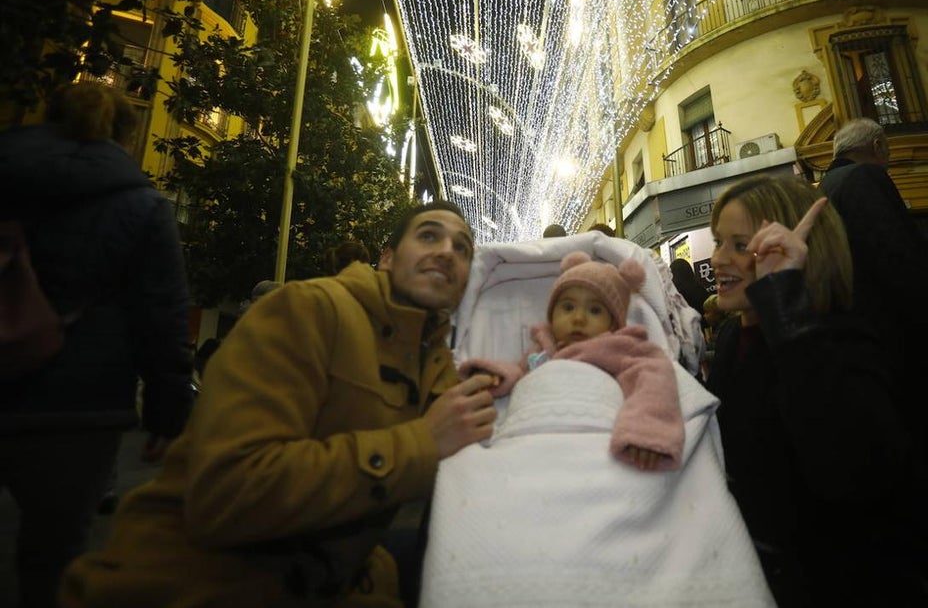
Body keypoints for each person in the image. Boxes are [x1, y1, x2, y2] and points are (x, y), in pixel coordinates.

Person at [58, 201, 500, 607]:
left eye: (462, 248)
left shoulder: (433, 358)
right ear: (386, 258)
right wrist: (422, 443)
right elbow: (228, 493)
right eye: (428, 236)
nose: (446, 251)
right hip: (186, 587)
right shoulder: (308, 309)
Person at [706, 174, 928, 607]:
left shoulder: (839, 335)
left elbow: (850, 471)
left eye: (740, 245)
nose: (718, 259)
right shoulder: (732, 339)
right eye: (718, 241)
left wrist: (783, 301)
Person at [0, 82, 195, 608]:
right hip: (80, 406)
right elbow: (163, 316)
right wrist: (167, 414)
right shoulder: (143, 207)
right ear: (125, 135)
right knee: (52, 558)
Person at [817, 119, 928, 530]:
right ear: (878, 145)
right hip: (896, 340)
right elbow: (899, 259)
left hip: (863, 341)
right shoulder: (865, 178)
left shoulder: (828, 188)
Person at [459, 251, 684, 471]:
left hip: (593, 432)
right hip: (534, 432)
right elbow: (520, 373)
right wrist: (495, 376)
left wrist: (647, 429)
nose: (578, 318)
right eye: (567, 307)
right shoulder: (542, 348)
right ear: (552, 315)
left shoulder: (622, 348)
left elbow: (654, 378)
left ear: (613, 325)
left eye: (595, 310)